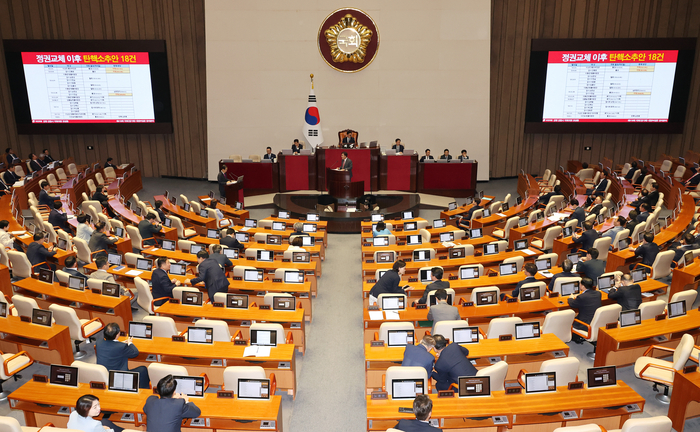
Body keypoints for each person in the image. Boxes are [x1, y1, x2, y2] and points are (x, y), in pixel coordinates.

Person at [96, 323, 150, 389]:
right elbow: (135, 353)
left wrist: (120, 343)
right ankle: (144, 390)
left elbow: (111, 346)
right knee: (143, 369)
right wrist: (130, 342)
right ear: (117, 334)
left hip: (104, 374)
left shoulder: (98, 342)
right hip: (119, 377)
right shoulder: (121, 347)